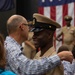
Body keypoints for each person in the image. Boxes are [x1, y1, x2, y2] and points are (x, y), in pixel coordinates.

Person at [4, 14, 73, 75]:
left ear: (49, 35)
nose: (33, 36)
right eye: (34, 33)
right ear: (22, 27)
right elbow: (28, 68)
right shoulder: (12, 48)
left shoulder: (55, 63)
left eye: (37, 34)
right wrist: (59, 57)